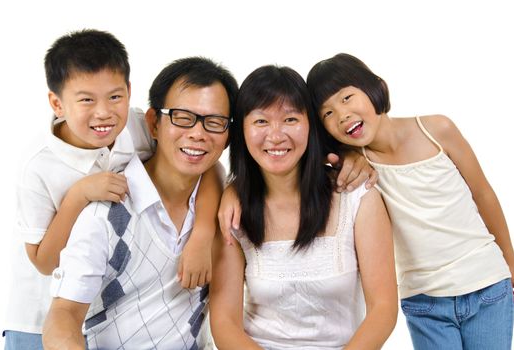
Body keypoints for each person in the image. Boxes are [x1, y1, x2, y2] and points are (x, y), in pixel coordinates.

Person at [4, 30, 222, 349]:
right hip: (38, 317)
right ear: (57, 103)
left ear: (130, 92)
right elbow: (43, 262)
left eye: (115, 97)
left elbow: (207, 165)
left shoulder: (136, 127)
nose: (104, 112)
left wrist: (203, 233)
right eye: (86, 100)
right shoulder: (38, 166)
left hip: (104, 309)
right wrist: (78, 196)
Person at [307, 53, 514, 349]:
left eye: (347, 98)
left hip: (487, 285)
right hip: (425, 302)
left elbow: (483, 194)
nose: (341, 114)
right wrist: (348, 155)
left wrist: (510, 263)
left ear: (377, 88)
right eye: (326, 113)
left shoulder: (436, 129)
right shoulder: (359, 168)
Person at [210, 65, 398, 349]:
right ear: (242, 131)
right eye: (261, 122)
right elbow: (224, 323)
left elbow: (383, 309)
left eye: (290, 119)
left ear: (311, 125)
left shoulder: (356, 195)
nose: (276, 135)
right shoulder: (233, 211)